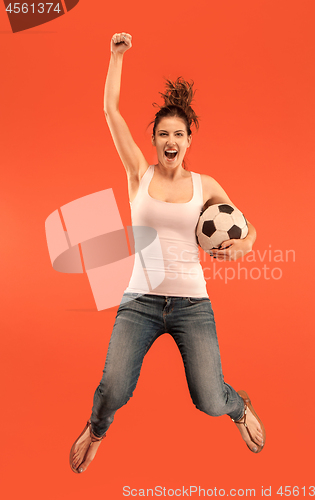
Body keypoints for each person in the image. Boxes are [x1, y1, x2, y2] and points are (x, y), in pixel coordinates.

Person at [69, 32, 265, 474]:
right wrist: (116, 57)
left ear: (189, 140)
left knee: (209, 399)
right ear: (154, 141)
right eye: (163, 134)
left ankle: (238, 408)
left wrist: (244, 246)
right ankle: (97, 429)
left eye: (179, 133)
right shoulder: (138, 174)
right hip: (139, 301)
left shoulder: (206, 187)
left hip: (192, 305)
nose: (170, 140)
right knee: (112, 390)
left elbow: (248, 228)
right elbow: (109, 111)